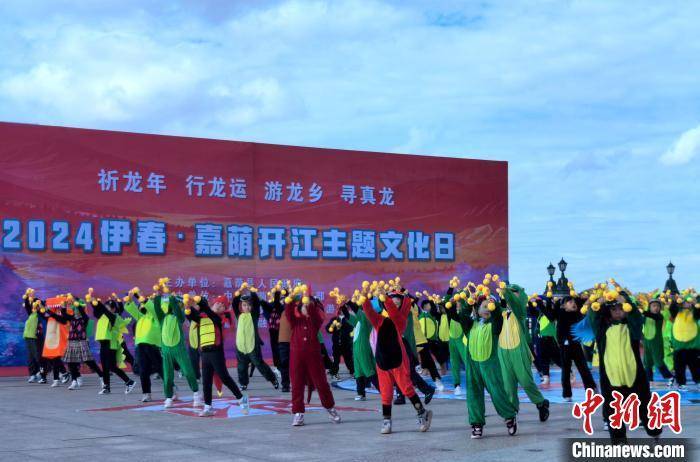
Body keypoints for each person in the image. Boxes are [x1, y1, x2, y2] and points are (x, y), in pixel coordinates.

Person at [585, 285, 662, 442]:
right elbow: (593, 315)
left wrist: (626, 301)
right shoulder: (602, 330)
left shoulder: (632, 328)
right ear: (608, 311)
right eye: (614, 309)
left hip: (635, 375)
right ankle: (619, 440)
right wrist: (599, 301)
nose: (618, 311)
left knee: (645, 404)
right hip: (611, 377)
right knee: (613, 410)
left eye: (621, 308)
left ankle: (653, 430)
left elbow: (637, 317)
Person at [362, 290, 433, 435]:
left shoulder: (401, 320)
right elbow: (368, 311)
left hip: (398, 361)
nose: (394, 301)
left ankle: (422, 414)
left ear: (402, 303)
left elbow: (393, 313)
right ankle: (386, 421)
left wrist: (386, 299)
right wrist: (364, 297)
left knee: (407, 389)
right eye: (392, 298)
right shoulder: (380, 320)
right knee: (386, 393)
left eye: (397, 300)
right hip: (382, 362)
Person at [450, 292, 518, 438]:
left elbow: (498, 319)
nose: (487, 309)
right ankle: (476, 424)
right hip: (473, 366)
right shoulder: (470, 325)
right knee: (473, 395)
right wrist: (469, 303)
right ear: (477, 309)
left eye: (490, 307)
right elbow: (462, 316)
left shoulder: (494, 325)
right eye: (484, 306)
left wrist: (496, 306)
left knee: (497, 393)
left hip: (490, 366)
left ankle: (509, 417)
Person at [284, 287, 341, 426]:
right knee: (297, 384)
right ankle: (298, 413)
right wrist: (290, 300)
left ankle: (330, 408)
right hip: (296, 356)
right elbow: (288, 312)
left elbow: (315, 314)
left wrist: (309, 301)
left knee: (321, 383)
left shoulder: (314, 322)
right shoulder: (295, 322)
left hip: (313, 356)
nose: (305, 308)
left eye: (308, 305)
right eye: (303, 305)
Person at [185, 295, 249, 417]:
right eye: (218, 303)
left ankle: (241, 399)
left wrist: (202, 305)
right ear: (213, 303)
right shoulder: (202, 317)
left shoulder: (219, 318)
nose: (219, 306)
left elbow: (209, 313)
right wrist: (188, 307)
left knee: (225, 377)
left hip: (216, 353)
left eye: (222, 305)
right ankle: (208, 406)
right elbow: (191, 316)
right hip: (204, 354)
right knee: (206, 381)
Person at [498, 283, 550, 421]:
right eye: (510, 292)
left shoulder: (520, 309)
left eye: (514, 291)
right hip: (503, 351)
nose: (511, 293)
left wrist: (505, 291)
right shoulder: (502, 312)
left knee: (526, 381)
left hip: (519, 350)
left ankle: (540, 403)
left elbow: (515, 303)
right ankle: (511, 414)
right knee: (508, 385)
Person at [151, 286, 201, 408]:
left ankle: (196, 394)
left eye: (179, 305)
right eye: (176, 304)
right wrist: (158, 295)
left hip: (179, 349)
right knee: (167, 376)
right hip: (166, 350)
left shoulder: (180, 317)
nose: (176, 307)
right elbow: (157, 307)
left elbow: (178, 312)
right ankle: (168, 398)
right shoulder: (163, 317)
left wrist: (173, 299)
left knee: (188, 372)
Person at [540, 294, 597, 401]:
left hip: (575, 345)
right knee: (565, 370)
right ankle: (567, 394)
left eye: (573, 302)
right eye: (570, 302)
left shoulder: (577, 313)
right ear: (564, 306)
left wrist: (588, 297)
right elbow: (549, 314)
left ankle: (591, 389)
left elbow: (583, 302)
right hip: (564, 347)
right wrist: (544, 302)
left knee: (583, 368)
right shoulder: (559, 313)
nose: (573, 304)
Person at [232, 287, 280, 391]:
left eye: (249, 305)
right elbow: (234, 303)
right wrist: (239, 292)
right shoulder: (238, 315)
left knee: (259, 364)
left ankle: (273, 380)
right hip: (240, 346)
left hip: (253, 345)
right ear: (241, 307)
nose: (247, 307)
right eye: (244, 305)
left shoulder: (254, 315)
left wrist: (253, 292)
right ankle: (243, 383)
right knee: (241, 367)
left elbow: (257, 303)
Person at [124, 289, 164, 402]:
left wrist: (138, 295)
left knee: (160, 368)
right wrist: (130, 299)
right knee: (143, 370)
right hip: (140, 344)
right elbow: (130, 309)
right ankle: (146, 393)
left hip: (152, 344)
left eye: (144, 303)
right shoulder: (141, 317)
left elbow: (150, 306)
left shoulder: (155, 315)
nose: (142, 305)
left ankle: (171, 389)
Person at [91, 297, 136, 394]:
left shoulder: (114, 317)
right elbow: (96, 312)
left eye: (108, 307)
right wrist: (93, 302)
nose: (106, 309)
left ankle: (128, 382)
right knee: (106, 366)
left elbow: (103, 310)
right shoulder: (103, 316)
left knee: (111, 366)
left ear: (113, 309)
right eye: (106, 307)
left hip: (111, 344)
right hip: (103, 343)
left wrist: (98, 302)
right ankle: (107, 387)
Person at [63, 299, 103, 390]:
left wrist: (78, 306)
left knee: (89, 361)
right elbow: (64, 314)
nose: (75, 312)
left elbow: (83, 313)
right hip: (72, 342)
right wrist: (64, 305)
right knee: (71, 362)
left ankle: (101, 376)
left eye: (76, 310)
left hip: (81, 342)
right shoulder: (72, 318)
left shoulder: (84, 319)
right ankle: (74, 381)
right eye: (74, 310)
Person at [668, 292, 700, 390]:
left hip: (692, 345)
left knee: (695, 366)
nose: (687, 304)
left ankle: (698, 381)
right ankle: (681, 383)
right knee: (679, 366)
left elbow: (698, 311)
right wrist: (675, 301)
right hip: (679, 345)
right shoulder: (677, 312)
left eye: (689, 302)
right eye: (685, 302)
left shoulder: (694, 313)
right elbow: (672, 309)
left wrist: (696, 303)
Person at [641, 294, 673, 382]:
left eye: (657, 306)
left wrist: (643, 311)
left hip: (656, 343)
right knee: (647, 363)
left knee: (659, 361)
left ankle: (669, 377)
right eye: (653, 306)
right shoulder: (645, 317)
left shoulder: (659, 317)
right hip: (647, 343)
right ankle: (649, 380)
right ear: (649, 307)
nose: (656, 308)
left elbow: (654, 316)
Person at [22, 289, 46, 383]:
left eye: (33, 303)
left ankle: (43, 375)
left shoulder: (39, 314)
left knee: (38, 357)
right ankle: (33, 374)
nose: (32, 304)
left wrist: (38, 303)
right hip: (28, 336)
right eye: (31, 303)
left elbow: (42, 309)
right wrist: (27, 296)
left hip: (36, 337)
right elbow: (27, 306)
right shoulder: (31, 313)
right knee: (30, 357)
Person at [326, 308, 355, 381]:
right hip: (336, 344)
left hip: (346, 344)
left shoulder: (348, 319)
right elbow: (328, 329)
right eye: (340, 310)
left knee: (349, 360)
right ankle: (334, 374)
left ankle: (353, 372)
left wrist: (342, 327)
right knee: (336, 360)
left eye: (343, 310)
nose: (341, 311)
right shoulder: (334, 319)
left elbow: (351, 329)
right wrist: (333, 325)